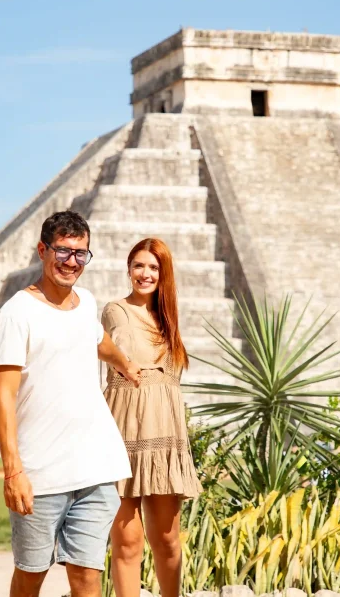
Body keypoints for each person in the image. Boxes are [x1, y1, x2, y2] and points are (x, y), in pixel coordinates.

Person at [0, 210, 140, 597]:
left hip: (94, 468)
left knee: (87, 575)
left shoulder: (86, 303)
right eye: (63, 251)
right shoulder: (16, 314)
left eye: (81, 254)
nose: (72, 262)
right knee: (31, 574)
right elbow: (2, 395)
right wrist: (12, 471)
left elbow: (96, 339)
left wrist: (123, 362)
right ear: (43, 250)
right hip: (40, 474)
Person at [103, 238, 203, 597]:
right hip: (123, 435)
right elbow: (116, 348)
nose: (144, 273)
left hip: (164, 437)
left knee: (168, 540)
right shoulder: (116, 311)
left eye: (153, 267)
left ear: (164, 274)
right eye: (138, 265)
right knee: (127, 542)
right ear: (128, 268)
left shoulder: (170, 320)